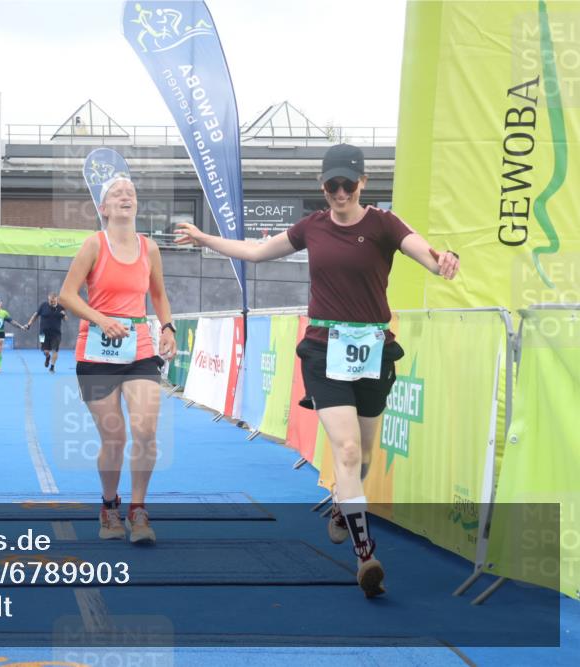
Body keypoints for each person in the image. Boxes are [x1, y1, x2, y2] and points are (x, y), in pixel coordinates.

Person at [175, 143, 460, 597]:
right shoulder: (312, 226)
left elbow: (425, 252)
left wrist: (443, 259)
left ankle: (342, 505)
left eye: (348, 185)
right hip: (324, 351)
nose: (340, 193)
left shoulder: (384, 224)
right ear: (322, 186)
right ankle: (366, 556)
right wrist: (206, 239)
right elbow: (256, 252)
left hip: (373, 351)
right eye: (332, 186)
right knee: (345, 450)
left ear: (363, 183)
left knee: (363, 457)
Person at [58, 175, 176, 545]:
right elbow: (67, 295)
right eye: (117, 193)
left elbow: (159, 294)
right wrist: (101, 319)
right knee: (114, 437)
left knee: (146, 430)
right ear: (104, 208)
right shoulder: (94, 244)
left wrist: (168, 327)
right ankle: (109, 506)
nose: (126, 196)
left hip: (139, 349)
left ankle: (138, 509)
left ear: (136, 205)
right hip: (97, 351)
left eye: (131, 193)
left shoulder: (149, 248)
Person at [26, 292, 68, 373]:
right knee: (45, 351)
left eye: (54, 301)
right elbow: (35, 315)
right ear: (48, 299)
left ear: (56, 300)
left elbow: (66, 319)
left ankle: (52, 367)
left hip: (56, 334)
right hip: (43, 333)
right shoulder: (43, 305)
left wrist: (63, 315)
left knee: (55, 350)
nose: (52, 303)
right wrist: (29, 324)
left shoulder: (61, 308)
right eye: (51, 301)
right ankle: (48, 357)